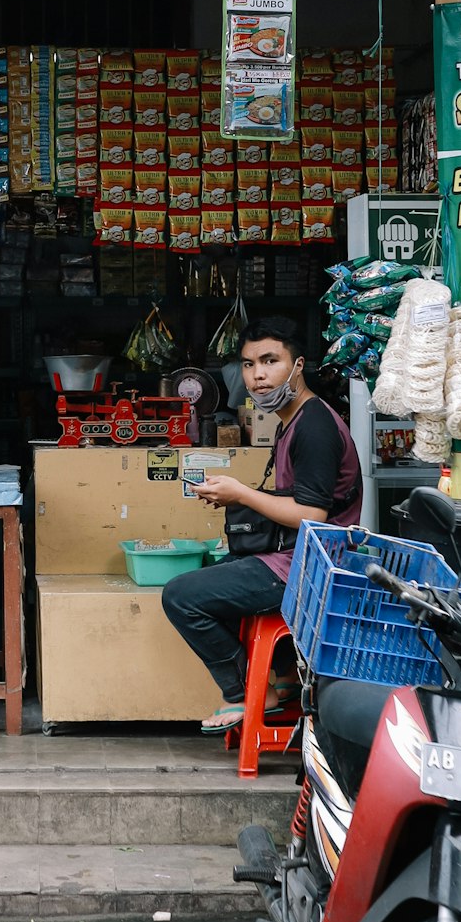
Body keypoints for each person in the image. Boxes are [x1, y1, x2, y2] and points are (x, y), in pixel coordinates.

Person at [161, 315, 362, 735]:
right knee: (216, 571)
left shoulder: (315, 426)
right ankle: (286, 676)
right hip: (295, 558)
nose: (258, 376)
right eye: (249, 365)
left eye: (270, 361)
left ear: (298, 365)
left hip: (309, 569)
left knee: (181, 596)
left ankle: (243, 693)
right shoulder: (295, 419)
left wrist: (242, 494)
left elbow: (312, 516)